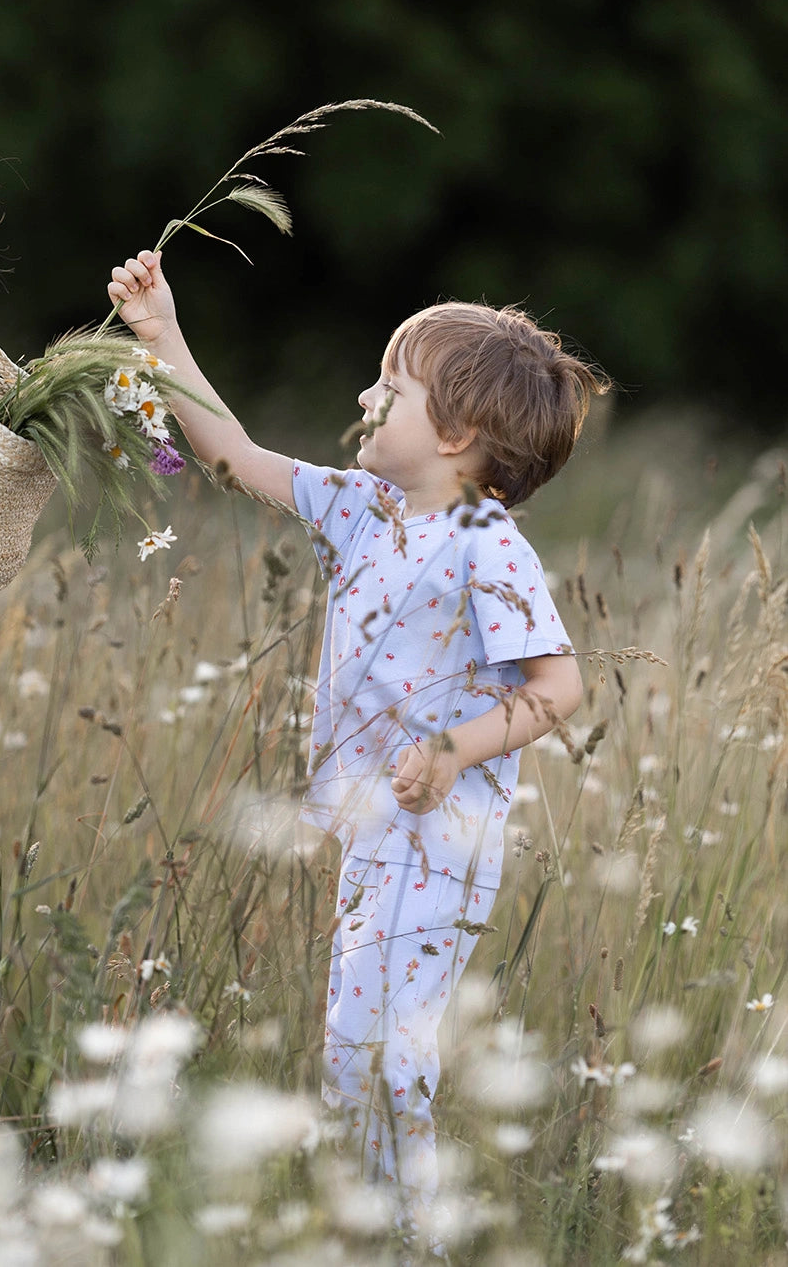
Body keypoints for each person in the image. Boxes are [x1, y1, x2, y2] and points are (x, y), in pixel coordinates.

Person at [108, 249, 604, 1215]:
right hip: (369, 826)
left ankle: (402, 1229)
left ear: (456, 432)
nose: (364, 396)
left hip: (436, 836)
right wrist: (160, 332)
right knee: (354, 1034)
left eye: (388, 385)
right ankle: (376, 1215)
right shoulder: (364, 509)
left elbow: (559, 684)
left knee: (378, 1043)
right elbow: (234, 455)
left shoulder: (484, 541)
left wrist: (454, 749)